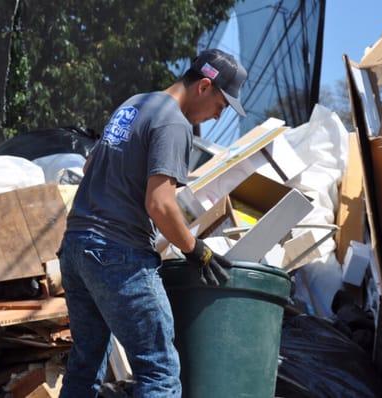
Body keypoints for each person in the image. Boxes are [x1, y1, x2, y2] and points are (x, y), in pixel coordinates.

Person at [58, 48, 247, 397]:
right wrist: (197, 251)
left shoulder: (134, 104)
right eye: (221, 106)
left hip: (76, 247)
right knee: (159, 370)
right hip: (117, 254)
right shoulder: (175, 123)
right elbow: (159, 203)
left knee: (85, 366)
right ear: (204, 86)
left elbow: (89, 168)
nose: (218, 117)